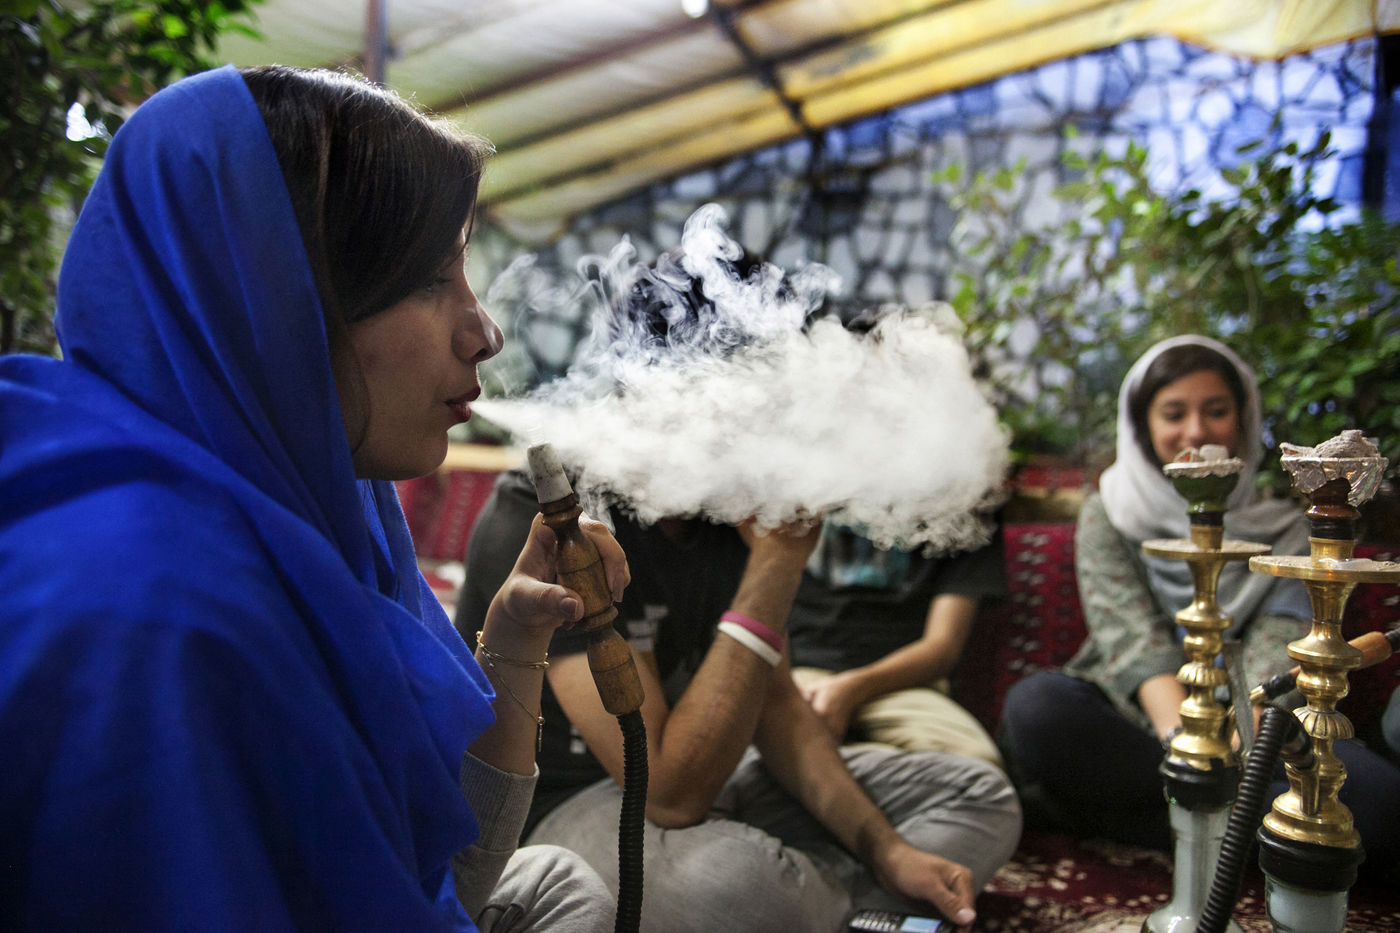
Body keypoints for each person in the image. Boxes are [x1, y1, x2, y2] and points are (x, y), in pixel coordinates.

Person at [0, 65, 626, 930]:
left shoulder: (321, 503)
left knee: (560, 880)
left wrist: (516, 637)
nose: (484, 331)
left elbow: (427, 866)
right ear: (270, 294)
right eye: (429, 279)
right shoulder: (161, 612)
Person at [457, 248, 1022, 933]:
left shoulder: (718, 507)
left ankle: (845, 901)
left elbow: (776, 704)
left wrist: (888, 849)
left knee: (978, 794)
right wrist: (778, 564)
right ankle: (852, 910)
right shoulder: (548, 523)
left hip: (712, 772)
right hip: (568, 807)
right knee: (741, 891)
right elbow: (665, 791)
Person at [996, 335, 1400, 880]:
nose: (1195, 431)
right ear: (1142, 426)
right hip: (1142, 723)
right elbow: (1131, 638)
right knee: (1039, 710)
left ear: (1243, 420)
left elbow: (1279, 647)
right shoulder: (1110, 512)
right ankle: (1251, 832)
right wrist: (1188, 752)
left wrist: (1233, 754)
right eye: (1173, 414)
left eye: (1216, 411)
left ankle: (1135, 821)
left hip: (1257, 732)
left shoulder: (1286, 528)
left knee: (1380, 805)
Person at [787, 520, 1007, 766]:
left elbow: (942, 647)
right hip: (795, 674)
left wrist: (852, 689)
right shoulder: (787, 503)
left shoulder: (968, 508)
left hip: (903, 683)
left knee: (975, 765)